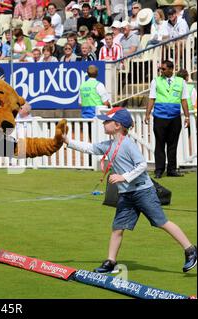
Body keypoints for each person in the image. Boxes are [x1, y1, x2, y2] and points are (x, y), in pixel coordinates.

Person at [64, 107, 197, 274]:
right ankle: (110, 262)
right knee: (117, 227)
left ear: (118, 125)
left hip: (143, 192)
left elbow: (142, 165)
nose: (104, 123)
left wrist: (123, 177)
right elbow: (90, 148)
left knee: (161, 222)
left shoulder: (127, 144)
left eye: (107, 121)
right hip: (127, 195)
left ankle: (191, 250)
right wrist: (67, 141)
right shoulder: (109, 144)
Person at [145, 60, 191, 178]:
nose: (162, 71)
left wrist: (187, 116)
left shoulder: (181, 82)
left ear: (171, 69)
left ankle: (171, 170)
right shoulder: (155, 81)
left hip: (175, 117)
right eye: (161, 69)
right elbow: (151, 98)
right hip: (160, 117)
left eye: (164, 69)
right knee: (159, 144)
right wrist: (147, 114)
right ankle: (159, 170)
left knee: (173, 144)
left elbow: (184, 100)